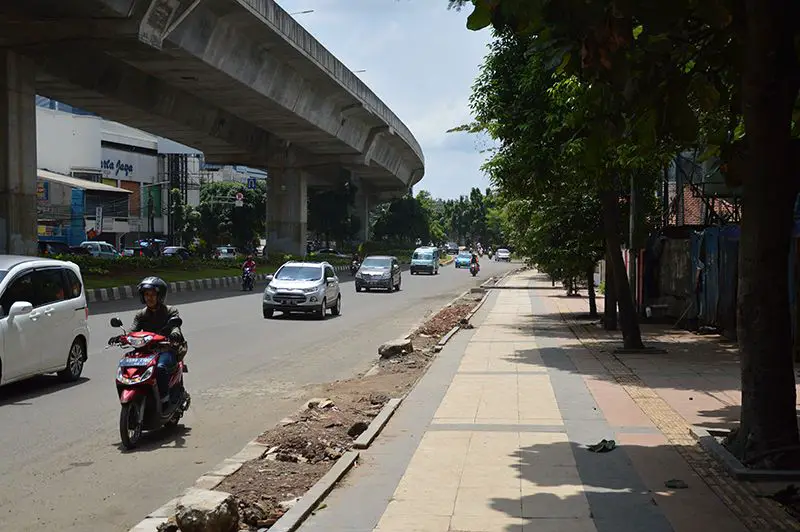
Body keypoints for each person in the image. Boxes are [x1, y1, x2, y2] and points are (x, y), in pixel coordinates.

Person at [110, 277, 185, 403]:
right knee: (126, 365)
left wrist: (174, 335)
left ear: (160, 296)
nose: (149, 298)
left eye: (152, 294)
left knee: (160, 368)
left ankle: (164, 398)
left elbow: (175, 327)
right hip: (146, 351)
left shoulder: (170, 311)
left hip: (166, 349)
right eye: (146, 294)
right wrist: (122, 338)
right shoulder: (141, 314)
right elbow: (132, 330)